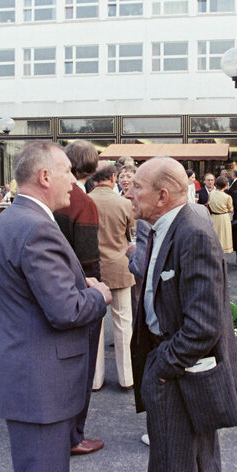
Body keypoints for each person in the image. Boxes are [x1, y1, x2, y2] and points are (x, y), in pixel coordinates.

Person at [0, 142, 111, 471]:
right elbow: (66, 311)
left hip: (31, 381)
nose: (73, 180)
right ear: (44, 176)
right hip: (40, 387)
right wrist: (99, 294)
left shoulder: (16, 218)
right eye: (66, 172)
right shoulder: (36, 227)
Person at [125, 156, 237, 472]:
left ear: (162, 196)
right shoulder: (167, 224)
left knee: (176, 462)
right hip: (172, 366)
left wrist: (163, 366)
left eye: (137, 187)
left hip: (180, 375)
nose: (129, 193)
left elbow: (204, 326)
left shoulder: (193, 231)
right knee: (187, 458)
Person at [53, 140, 104, 454]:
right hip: (79, 291)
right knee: (81, 367)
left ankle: (63, 430)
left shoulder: (51, 199)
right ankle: (74, 435)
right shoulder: (83, 203)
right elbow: (88, 260)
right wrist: (98, 291)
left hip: (51, 287)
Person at [89, 163, 135, 391]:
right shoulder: (124, 203)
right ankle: (127, 377)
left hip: (93, 271)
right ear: (113, 177)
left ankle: (96, 379)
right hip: (119, 266)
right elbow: (132, 234)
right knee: (124, 322)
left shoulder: (86, 201)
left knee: (94, 325)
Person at [208, 176, 234, 253]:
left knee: (215, 236)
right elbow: (231, 209)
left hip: (213, 216)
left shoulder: (211, 193)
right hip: (223, 218)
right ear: (226, 185)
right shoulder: (227, 197)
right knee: (223, 237)